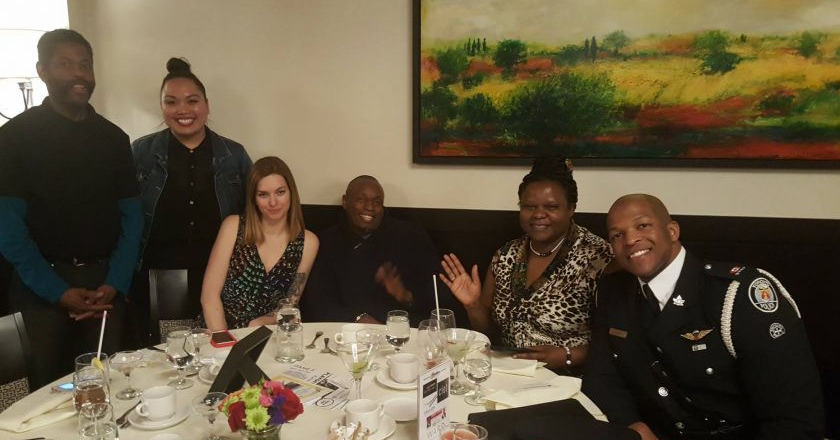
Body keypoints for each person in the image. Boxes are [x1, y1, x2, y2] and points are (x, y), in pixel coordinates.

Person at [583, 194, 824, 440]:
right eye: (617, 235)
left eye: (642, 226)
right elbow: (601, 377)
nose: (630, 240)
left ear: (672, 231)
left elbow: (797, 424)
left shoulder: (738, 294)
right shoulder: (613, 293)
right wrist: (635, 432)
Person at [0, 29, 143, 387]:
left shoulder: (114, 139)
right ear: (42, 71)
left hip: (104, 288)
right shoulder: (14, 137)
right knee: (45, 393)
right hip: (41, 289)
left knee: (108, 387)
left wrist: (115, 282)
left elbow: (132, 217)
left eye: (85, 64)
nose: (79, 73)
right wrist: (57, 292)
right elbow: (8, 227)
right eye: (65, 64)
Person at [439, 156, 613, 371]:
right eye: (529, 206)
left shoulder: (598, 257)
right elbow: (488, 333)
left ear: (571, 208)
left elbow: (618, 339)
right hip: (507, 372)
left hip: (569, 377)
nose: (538, 214)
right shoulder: (506, 255)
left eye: (551, 207)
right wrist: (473, 305)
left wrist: (567, 356)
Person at [131, 58, 252, 341]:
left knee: (219, 347)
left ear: (207, 105)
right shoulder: (141, 153)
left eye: (192, 101)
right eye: (171, 102)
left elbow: (252, 218)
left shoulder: (233, 155)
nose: (183, 110)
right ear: (162, 108)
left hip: (222, 277)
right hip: (161, 278)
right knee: (171, 353)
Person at [303, 175, 445, 325]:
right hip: (346, 332)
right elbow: (319, 303)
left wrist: (405, 296)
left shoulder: (411, 236)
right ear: (345, 201)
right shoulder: (326, 241)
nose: (370, 207)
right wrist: (358, 318)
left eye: (377, 202)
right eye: (361, 200)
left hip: (404, 331)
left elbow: (437, 301)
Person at [200, 156, 318, 331]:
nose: (273, 202)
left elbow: (290, 305)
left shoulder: (309, 242)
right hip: (218, 330)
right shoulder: (233, 226)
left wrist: (261, 323)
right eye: (263, 194)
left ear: (291, 193)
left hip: (267, 333)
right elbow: (209, 297)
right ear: (253, 198)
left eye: (280, 192)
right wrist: (225, 341)